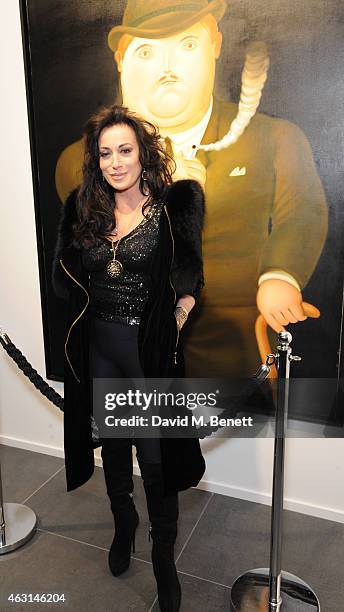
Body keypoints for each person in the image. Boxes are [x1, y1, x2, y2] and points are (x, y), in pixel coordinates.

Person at [55, 0, 328, 381]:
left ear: (214, 44)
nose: (167, 69)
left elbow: (301, 212)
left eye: (185, 45)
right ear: (122, 58)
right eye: (147, 51)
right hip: (130, 348)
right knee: (136, 437)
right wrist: (162, 186)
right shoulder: (81, 160)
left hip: (230, 354)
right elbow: (96, 240)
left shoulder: (275, 139)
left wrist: (280, 276)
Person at [52, 104, 205, 612]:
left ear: (143, 154)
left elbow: (190, 276)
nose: (115, 162)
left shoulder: (171, 209)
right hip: (99, 353)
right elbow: (67, 279)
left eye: (125, 150)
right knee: (114, 451)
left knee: (156, 459)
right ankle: (124, 524)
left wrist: (178, 316)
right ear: (96, 161)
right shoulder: (83, 209)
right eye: (105, 153)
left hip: (147, 358)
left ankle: (164, 558)